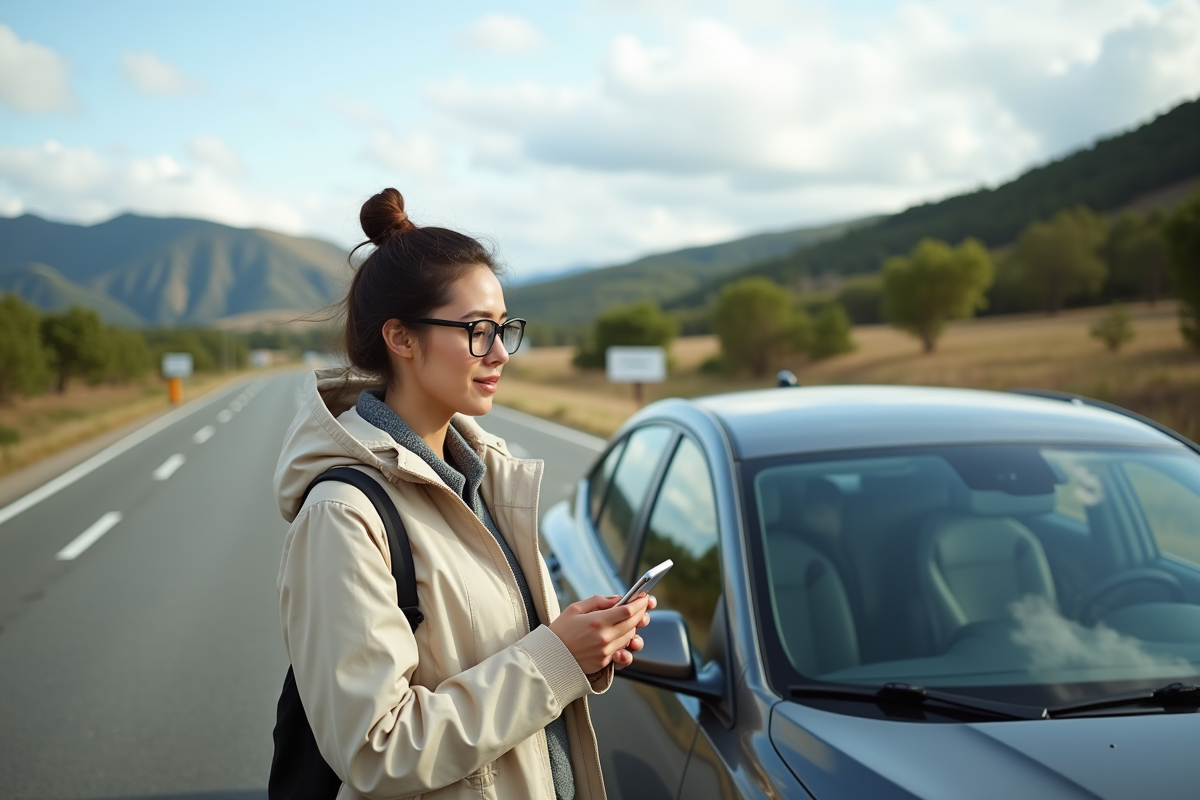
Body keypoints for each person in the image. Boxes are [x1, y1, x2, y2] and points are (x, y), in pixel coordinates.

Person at [274, 188, 654, 800]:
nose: (500, 353)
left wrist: (584, 648)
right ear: (400, 337)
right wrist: (555, 659)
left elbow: (498, 663)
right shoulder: (344, 516)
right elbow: (377, 750)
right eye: (478, 331)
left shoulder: (487, 482)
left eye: (504, 328)